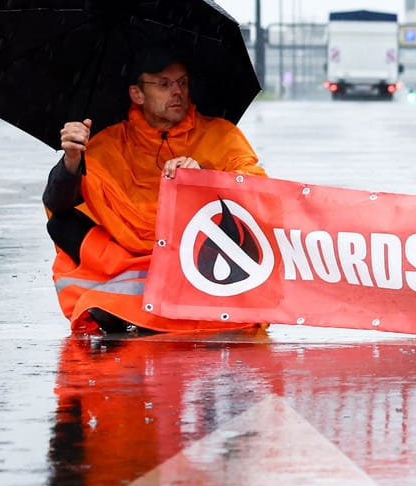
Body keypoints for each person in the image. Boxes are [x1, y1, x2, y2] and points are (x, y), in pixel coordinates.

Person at [43, 48, 267, 334]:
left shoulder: (221, 135)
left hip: (193, 252)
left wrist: (203, 177)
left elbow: (257, 188)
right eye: (164, 84)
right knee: (64, 225)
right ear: (137, 94)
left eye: (182, 83)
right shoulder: (109, 142)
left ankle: (131, 308)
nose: (177, 92)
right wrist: (72, 159)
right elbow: (58, 203)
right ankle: (122, 303)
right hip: (127, 256)